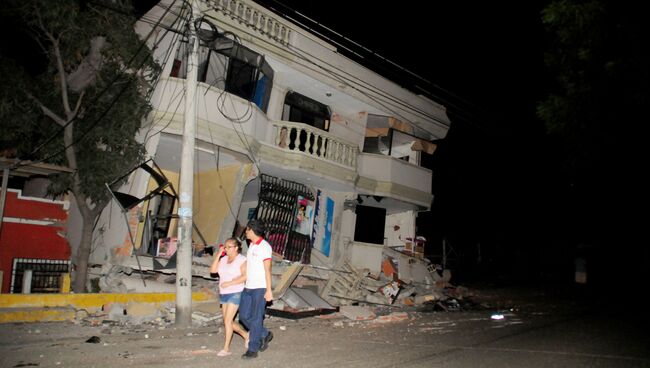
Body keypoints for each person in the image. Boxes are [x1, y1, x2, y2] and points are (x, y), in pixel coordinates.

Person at [239, 219, 274, 359]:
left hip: (260, 288)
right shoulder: (252, 245)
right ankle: (265, 333)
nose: (245, 232)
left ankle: (253, 349)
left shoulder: (265, 247)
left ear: (252, 230)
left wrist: (269, 290)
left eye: (247, 230)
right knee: (243, 316)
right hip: (248, 287)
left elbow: (268, 270)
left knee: (255, 318)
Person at [210, 238, 249, 357]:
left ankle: (226, 348)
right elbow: (213, 270)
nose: (226, 249)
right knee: (228, 321)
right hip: (224, 292)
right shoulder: (223, 259)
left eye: (229, 247)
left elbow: (245, 276)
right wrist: (218, 255)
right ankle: (246, 335)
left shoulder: (242, 260)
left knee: (227, 321)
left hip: (235, 291)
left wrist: (230, 283)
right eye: (225, 247)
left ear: (236, 248)